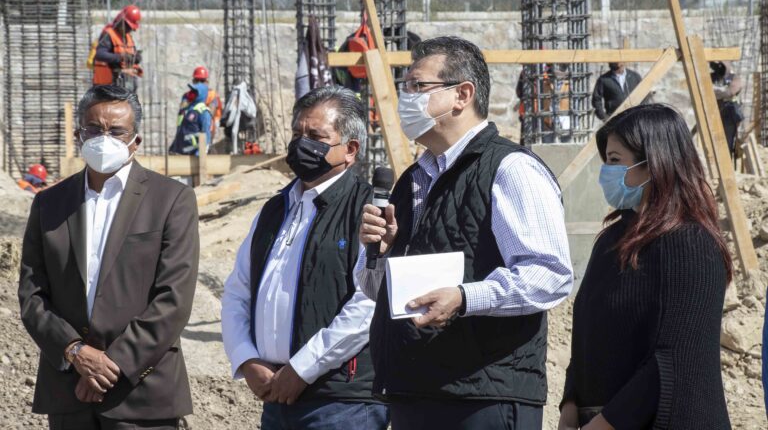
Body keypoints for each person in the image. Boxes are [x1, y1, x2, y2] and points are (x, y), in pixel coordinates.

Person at [357, 36, 573, 429]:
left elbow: (549, 275)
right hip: (415, 389)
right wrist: (381, 254)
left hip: (484, 396)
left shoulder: (510, 169)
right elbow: (377, 292)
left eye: (418, 86)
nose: (406, 98)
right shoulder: (412, 181)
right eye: (405, 87)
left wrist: (464, 297)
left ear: (462, 94)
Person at [18, 84, 199, 429]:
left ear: (136, 140)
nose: (104, 139)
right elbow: (32, 294)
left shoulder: (171, 200)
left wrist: (111, 364)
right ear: (78, 135)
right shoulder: (49, 203)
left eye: (116, 131)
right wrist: (74, 351)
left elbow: (173, 299)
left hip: (141, 394)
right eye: (94, 129)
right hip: (68, 392)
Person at [221, 86, 389, 430]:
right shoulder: (275, 209)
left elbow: (369, 302)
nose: (302, 144)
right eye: (297, 134)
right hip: (275, 396)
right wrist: (247, 359)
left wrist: (302, 369)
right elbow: (238, 291)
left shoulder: (368, 212)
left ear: (350, 149)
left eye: (316, 136)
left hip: (341, 402)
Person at [559, 104, 732, 430]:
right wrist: (570, 405)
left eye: (615, 160)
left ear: (654, 163)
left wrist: (604, 424)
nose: (606, 172)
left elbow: (674, 359)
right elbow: (586, 338)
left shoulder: (691, 244)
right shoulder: (611, 240)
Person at [92, 5, 142, 90]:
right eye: (128, 27)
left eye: (131, 28)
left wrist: (136, 57)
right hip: (106, 87)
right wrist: (121, 57)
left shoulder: (128, 37)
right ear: (121, 21)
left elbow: (132, 53)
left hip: (125, 85)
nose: (129, 30)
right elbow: (100, 54)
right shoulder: (109, 35)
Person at [178, 66, 223, 140]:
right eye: (197, 80)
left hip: (205, 129)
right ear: (193, 81)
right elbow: (181, 112)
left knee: (202, 145)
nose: (199, 83)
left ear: (206, 82)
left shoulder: (213, 95)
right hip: (188, 129)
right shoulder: (187, 96)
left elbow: (211, 113)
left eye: (202, 81)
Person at [710, 61, 743, 158]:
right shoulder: (713, 77)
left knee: (727, 142)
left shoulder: (732, 78)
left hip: (729, 114)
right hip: (715, 113)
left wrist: (714, 91)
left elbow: (729, 92)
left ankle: (726, 160)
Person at [169, 81, 212, 156]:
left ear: (201, 94)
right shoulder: (188, 109)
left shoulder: (203, 112)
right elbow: (181, 130)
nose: (192, 93)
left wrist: (200, 153)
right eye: (192, 90)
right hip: (181, 152)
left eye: (195, 92)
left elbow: (206, 134)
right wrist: (173, 147)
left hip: (193, 154)